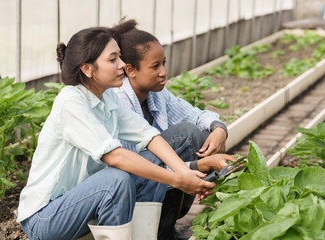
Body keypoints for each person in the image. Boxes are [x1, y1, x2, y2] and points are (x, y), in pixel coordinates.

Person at [16, 26, 215, 240]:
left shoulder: (107, 97)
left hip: (84, 201)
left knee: (151, 160)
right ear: (88, 69)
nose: (122, 64)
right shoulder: (71, 102)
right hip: (46, 218)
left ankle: (151, 236)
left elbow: (148, 136)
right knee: (116, 178)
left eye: (119, 57)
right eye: (113, 60)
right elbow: (116, 157)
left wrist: (184, 173)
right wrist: (178, 180)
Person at [111, 20, 236, 240]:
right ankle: (158, 233)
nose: (164, 72)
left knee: (207, 136)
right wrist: (197, 166)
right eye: (155, 66)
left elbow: (196, 115)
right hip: (129, 184)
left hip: (154, 174)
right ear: (130, 70)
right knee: (189, 137)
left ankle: (166, 228)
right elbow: (133, 166)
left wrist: (219, 129)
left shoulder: (158, 93)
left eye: (164, 63)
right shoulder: (120, 100)